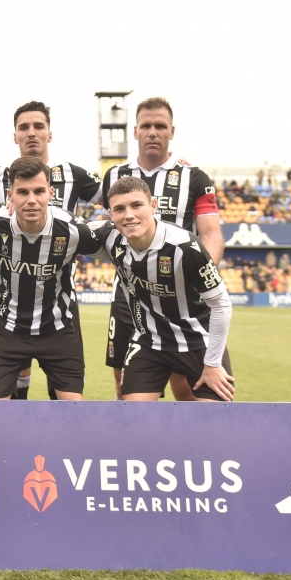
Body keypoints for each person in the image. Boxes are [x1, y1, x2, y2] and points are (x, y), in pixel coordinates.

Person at [98, 97, 223, 400]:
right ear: (135, 131)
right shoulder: (114, 175)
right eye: (146, 126)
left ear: (172, 131)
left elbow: (212, 234)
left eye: (160, 126)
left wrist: (200, 278)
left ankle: (182, 443)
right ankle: (138, 440)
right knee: (123, 376)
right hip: (130, 296)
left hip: (180, 296)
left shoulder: (194, 177)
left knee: (184, 381)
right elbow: (104, 229)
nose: (153, 132)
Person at [0, 101, 105, 399]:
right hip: (10, 297)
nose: (31, 133)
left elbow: (119, 197)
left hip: (59, 297)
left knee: (63, 398)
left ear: (50, 133)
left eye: (39, 126)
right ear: (15, 136)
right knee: (12, 376)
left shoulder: (73, 174)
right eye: (24, 127)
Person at [98, 176, 235, 402]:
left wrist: (212, 364)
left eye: (136, 205)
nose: (129, 215)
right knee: (131, 417)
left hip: (198, 342)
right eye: (119, 209)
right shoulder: (110, 239)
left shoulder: (186, 247)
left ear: (153, 206)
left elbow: (221, 305)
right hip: (149, 341)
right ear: (111, 215)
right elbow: (69, 229)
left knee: (212, 422)